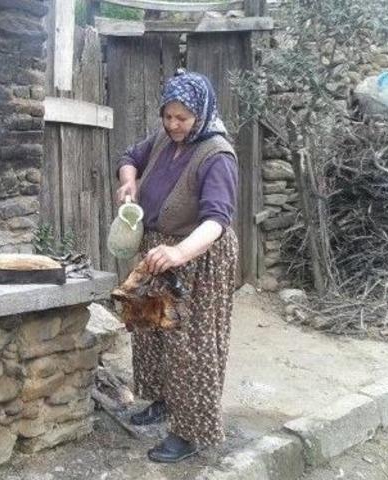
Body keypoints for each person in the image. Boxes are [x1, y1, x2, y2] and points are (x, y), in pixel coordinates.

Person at [115, 69, 239, 463]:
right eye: (168, 117)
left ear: (200, 114)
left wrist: (180, 253)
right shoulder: (163, 140)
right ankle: (164, 402)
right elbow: (129, 156)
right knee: (151, 331)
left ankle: (191, 432)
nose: (173, 125)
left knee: (191, 346)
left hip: (197, 261)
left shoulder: (217, 156)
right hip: (157, 255)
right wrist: (129, 181)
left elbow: (216, 221)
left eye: (182, 118)